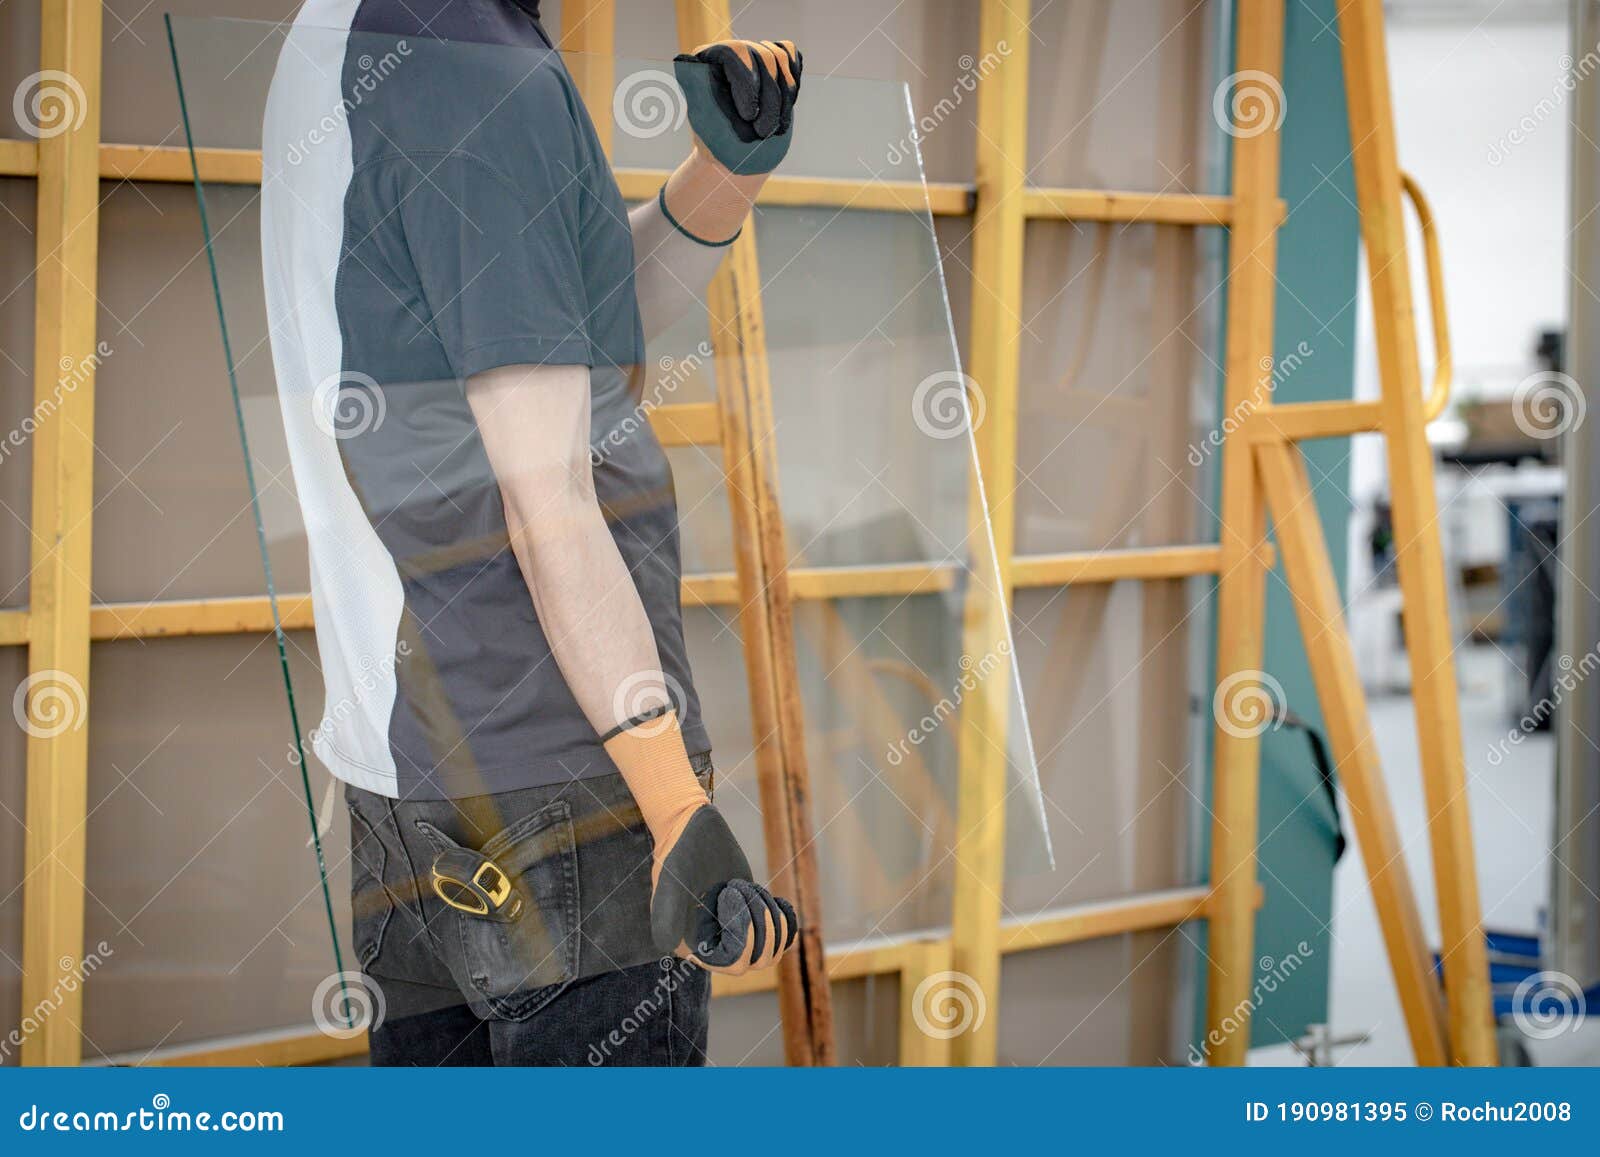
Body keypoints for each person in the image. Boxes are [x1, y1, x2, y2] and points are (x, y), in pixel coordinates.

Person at [260, 0, 803, 1065]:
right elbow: (544, 490)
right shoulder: (477, 70)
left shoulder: (346, 36)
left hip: (408, 763)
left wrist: (720, 176)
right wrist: (669, 794)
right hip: (562, 778)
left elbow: (553, 326)